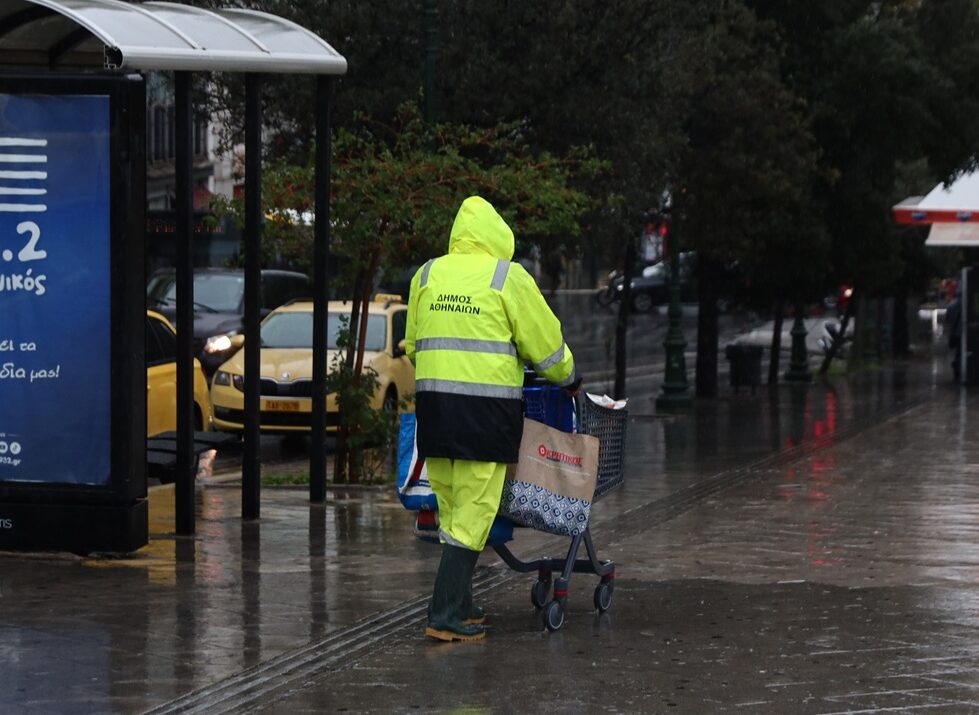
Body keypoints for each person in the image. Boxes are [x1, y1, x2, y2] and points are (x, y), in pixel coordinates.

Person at [405, 196, 580, 642]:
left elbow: (412, 345)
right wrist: (569, 376)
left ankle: (461, 604)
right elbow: (547, 346)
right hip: (484, 414)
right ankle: (444, 615)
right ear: (498, 236)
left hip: (435, 413)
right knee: (476, 510)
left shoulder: (426, 274)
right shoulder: (507, 277)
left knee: (451, 508)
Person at [947, 286, 963, 381]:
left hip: (954, 333)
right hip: (963, 333)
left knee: (958, 352)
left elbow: (948, 320)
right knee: (960, 352)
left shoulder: (951, 305)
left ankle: (957, 367)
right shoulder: (966, 305)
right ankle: (958, 366)